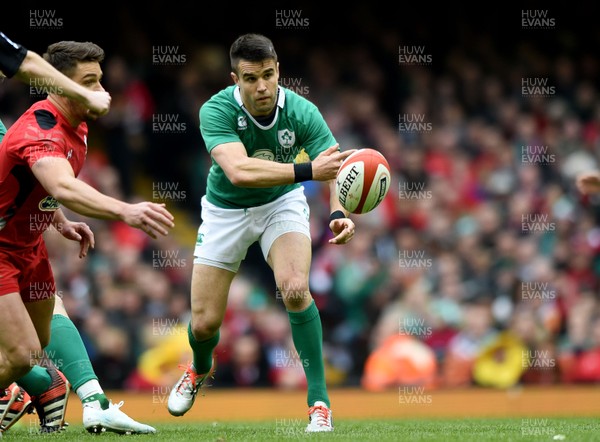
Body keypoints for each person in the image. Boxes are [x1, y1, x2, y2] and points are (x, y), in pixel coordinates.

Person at [167, 33, 355, 433]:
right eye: (251, 78)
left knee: (295, 288)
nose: (262, 86)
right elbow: (239, 170)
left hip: (280, 204)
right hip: (225, 210)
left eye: (269, 75)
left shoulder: (302, 111)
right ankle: (199, 369)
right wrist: (307, 171)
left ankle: (319, 401)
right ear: (235, 78)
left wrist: (338, 211)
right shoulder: (215, 110)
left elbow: (334, 165)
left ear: (278, 70)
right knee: (202, 325)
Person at [0, 39, 174, 434]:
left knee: (41, 339)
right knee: (22, 355)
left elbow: (34, 181)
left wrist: (58, 219)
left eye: (100, 80)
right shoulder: (39, 129)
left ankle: (49, 389)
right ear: (59, 85)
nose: (101, 92)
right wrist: (126, 209)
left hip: (28, 246)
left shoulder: (74, 124)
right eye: (89, 82)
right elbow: (60, 183)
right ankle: (46, 389)